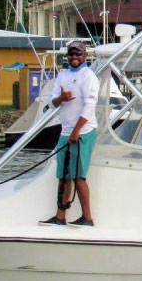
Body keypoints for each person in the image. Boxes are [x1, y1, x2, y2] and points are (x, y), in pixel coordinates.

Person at [41, 41, 99, 227]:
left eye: (78, 54)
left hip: (83, 132)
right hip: (66, 132)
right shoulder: (63, 75)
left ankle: (87, 218)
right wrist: (61, 98)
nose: (74, 57)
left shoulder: (88, 76)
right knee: (63, 175)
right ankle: (60, 216)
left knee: (78, 176)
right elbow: (52, 103)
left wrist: (76, 131)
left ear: (85, 56)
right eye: (71, 54)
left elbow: (90, 105)